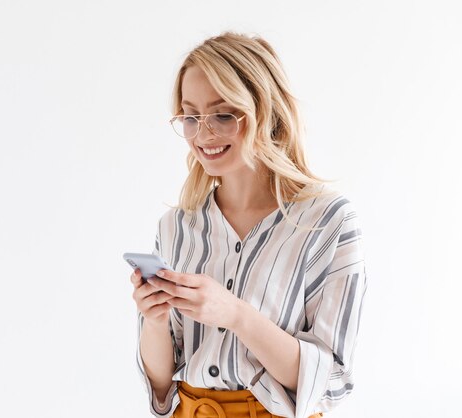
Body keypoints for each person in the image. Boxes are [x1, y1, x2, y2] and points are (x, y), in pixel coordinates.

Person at [129, 31, 367, 418]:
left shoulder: (328, 221)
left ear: (265, 111)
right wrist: (154, 321)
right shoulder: (175, 226)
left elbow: (330, 382)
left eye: (222, 115)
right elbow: (160, 386)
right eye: (190, 117)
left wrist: (235, 314)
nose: (203, 134)